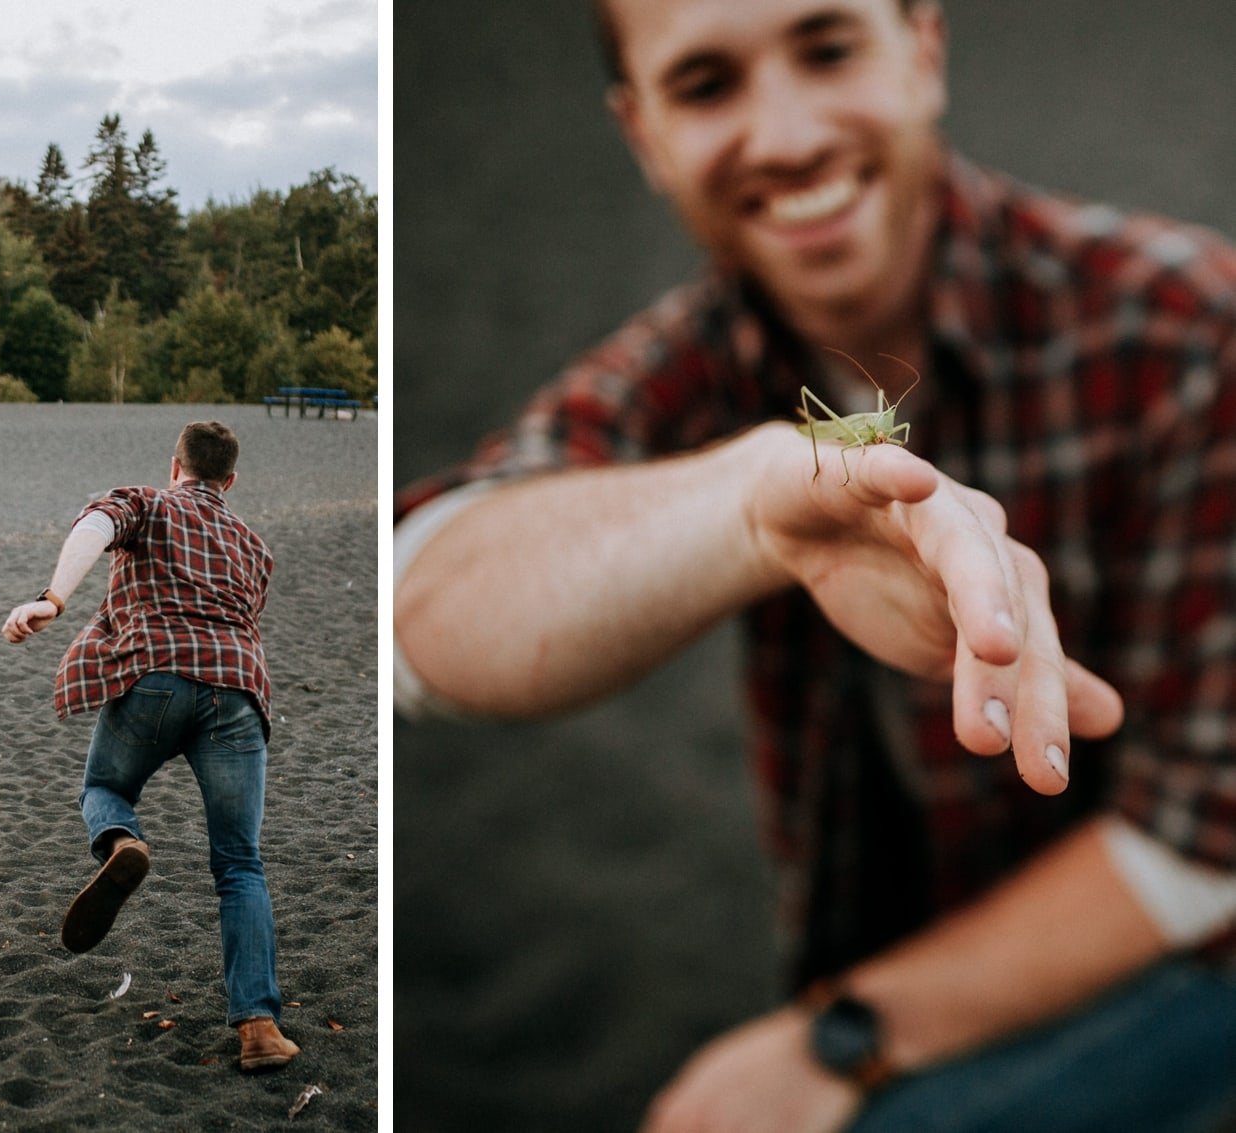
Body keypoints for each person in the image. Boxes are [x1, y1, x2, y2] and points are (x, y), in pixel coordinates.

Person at [394, 1, 1236, 1130]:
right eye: (705, 83)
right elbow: (422, 593)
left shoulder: (1192, 328)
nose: (785, 134)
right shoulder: (699, 356)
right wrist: (746, 503)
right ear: (640, 133)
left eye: (826, 46)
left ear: (924, 48)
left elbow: (1204, 842)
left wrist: (843, 1037)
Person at [0, 420, 300, 1074]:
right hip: (240, 693)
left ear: (176, 466)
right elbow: (248, 617)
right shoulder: (255, 546)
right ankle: (258, 1027)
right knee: (240, 864)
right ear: (231, 479)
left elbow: (96, 526)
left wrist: (53, 598)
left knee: (105, 788)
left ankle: (122, 841)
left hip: (156, 677)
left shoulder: (150, 501)